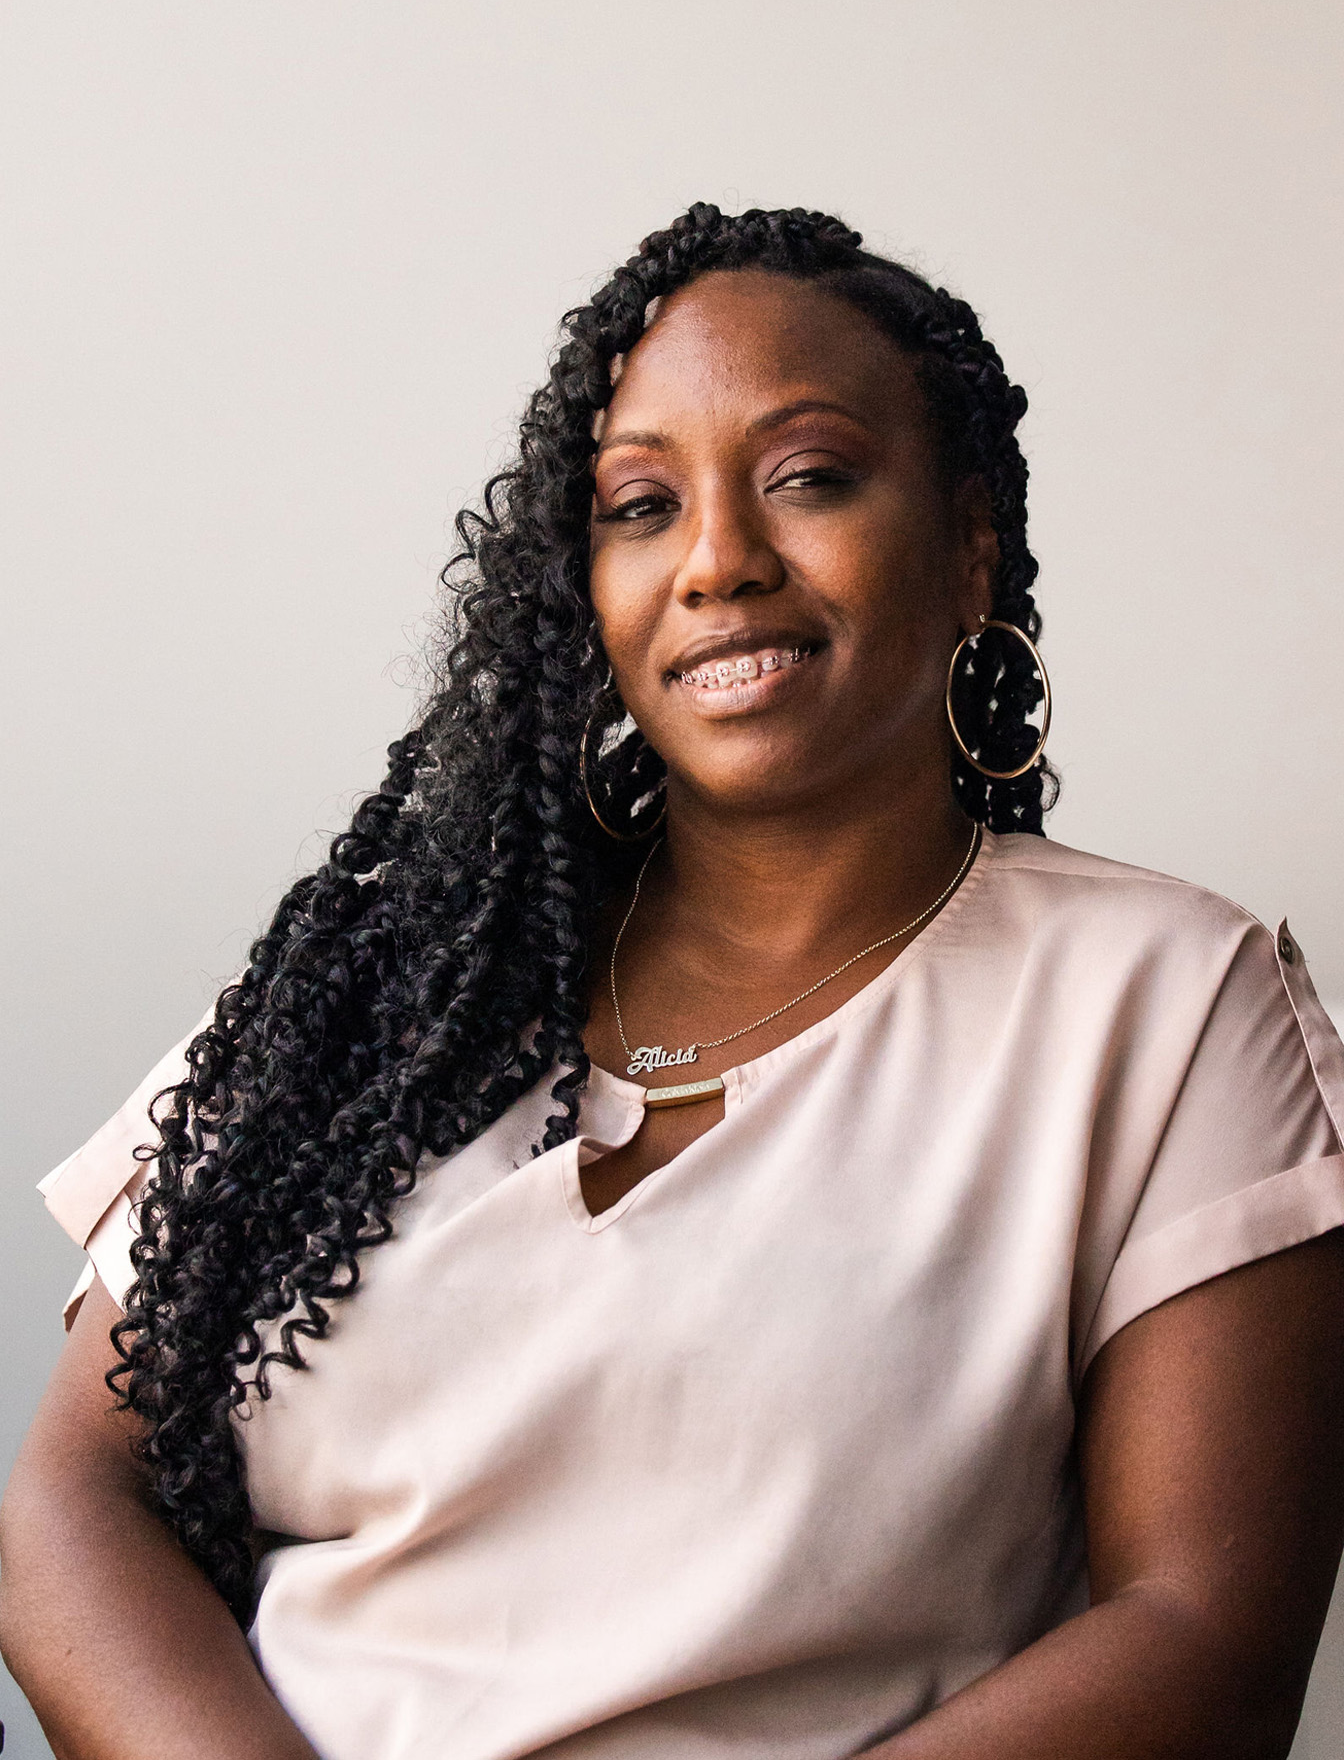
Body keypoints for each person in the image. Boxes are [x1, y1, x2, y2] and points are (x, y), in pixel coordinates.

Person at [3, 203, 1343, 1760]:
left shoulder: (1170, 1004)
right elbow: (69, 1500)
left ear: (970, 545)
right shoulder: (402, 989)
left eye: (810, 478)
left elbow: (1201, 1636)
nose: (719, 561)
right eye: (641, 505)